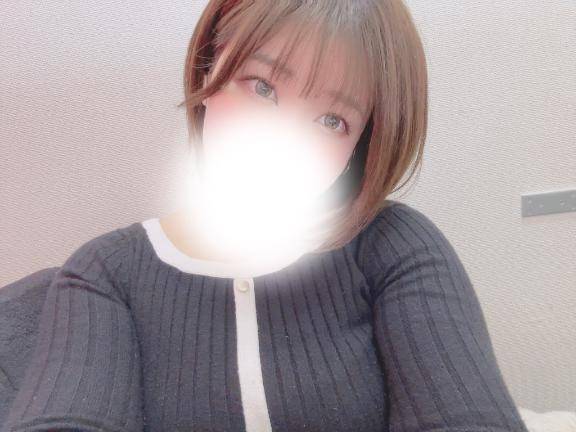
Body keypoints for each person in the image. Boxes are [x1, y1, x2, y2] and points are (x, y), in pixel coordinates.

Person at [2, 0, 529, 431]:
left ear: (358, 150)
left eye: (332, 120)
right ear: (209, 69)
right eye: (262, 87)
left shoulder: (394, 247)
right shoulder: (106, 272)